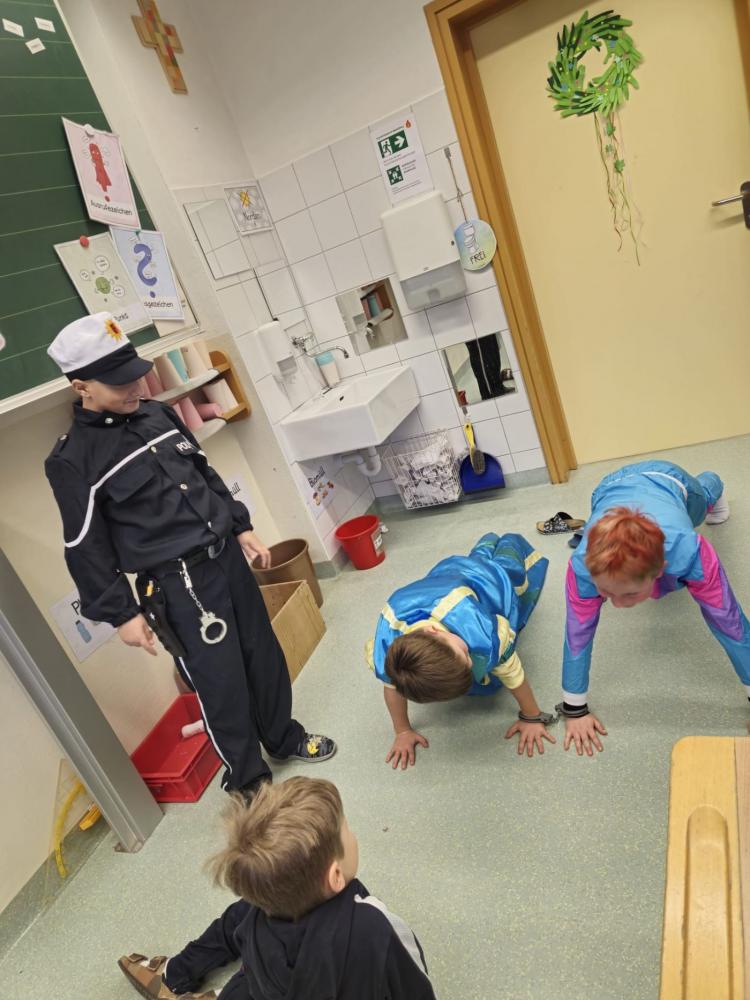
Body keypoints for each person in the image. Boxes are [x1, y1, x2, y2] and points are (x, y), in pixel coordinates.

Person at [44, 314, 335, 799]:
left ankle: (284, 738)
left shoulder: (158, 414)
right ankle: (249, 779)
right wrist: (123, 614)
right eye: (119, 383)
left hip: (228, 561)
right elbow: (84, 546)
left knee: (263, 654)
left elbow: (203, 475)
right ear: (81, 387)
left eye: (135, 374)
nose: (135, 387)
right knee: (221, 683)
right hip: (179, 585)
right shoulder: (73, 460)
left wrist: (240, 526)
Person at [118, 777, 436, 1000]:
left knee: (244, 914)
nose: (353, 835)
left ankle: (173, 974)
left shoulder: (254, 927)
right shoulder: (374, 925)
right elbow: (414, 985)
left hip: (268, 985)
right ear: (336, 874)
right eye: (347, 829)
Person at [560, 459, 750, 755]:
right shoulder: (582, 567)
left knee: (704, 499)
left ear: (661, 570)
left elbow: (730, 623)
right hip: (608, 488)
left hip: (669, 480)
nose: (618, 605)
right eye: (606, 592)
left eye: (629, 594)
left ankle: (713, 480)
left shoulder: (690, 551)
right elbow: (577, 634)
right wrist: (575, 710)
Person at [368, 532, 555, 766]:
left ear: (434, 632)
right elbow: (392, 687)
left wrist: (531, 716)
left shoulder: (480, 628)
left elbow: (511, 670)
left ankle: (504, 539)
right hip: (447, 576)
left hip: (489, 579)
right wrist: (402, 731)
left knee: (509, 565)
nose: (471, 659)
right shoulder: (388, 646)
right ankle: (486, 542)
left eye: (466, 654)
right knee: (479, 555)